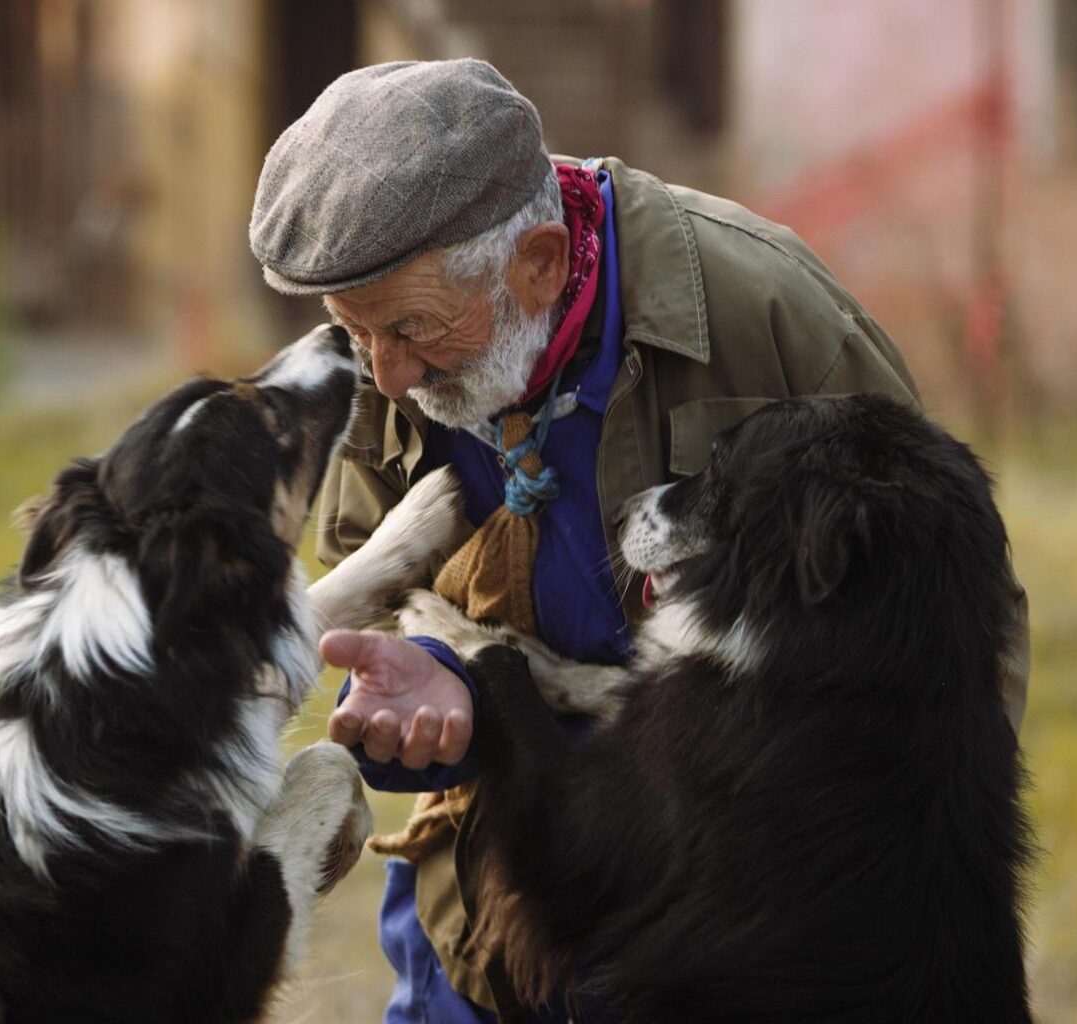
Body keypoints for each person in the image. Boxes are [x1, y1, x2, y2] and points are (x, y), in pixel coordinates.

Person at [248, 58, 1029, 1024]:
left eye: (411, 330)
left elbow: (946, 611)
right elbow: (381, 584)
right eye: (353, 331)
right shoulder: (390, 342)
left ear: (539, 260)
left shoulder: (768, 313)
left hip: (755, 917)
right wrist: (429, 684)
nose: (388, 375)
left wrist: (844, 894)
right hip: (502, 886)